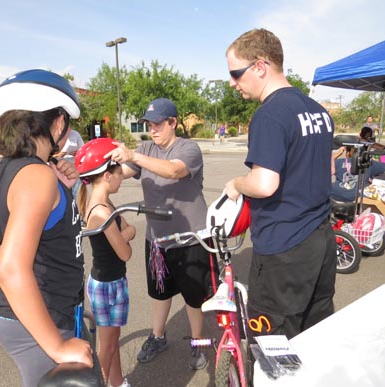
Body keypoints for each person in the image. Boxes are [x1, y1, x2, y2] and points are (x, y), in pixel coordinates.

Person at [224, 28, 337, 339]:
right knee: (316, 333)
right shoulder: (319, 112)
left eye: (236, 73)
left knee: (274, 347)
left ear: (260, 67)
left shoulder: (270, 114)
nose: (233, 83)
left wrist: (235, 183)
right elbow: (328, 171)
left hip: (284, 247)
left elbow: (264, 184)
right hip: (321, 240)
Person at [0, 69, 93, 387]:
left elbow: (59, 227)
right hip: (42, 316)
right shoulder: (37, 176)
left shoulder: (18, 167)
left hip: (51, 308)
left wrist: (72, 188)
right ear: (58, 122)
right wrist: (57, 346)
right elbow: (10, 269)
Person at [105, 98, 219, 370]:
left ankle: (198, 342)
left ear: (173, 123)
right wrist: (94, 170)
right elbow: (122, 171)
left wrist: (134, 156)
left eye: (158, 123)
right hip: (157, 239)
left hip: (191, 238)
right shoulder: (146, 148)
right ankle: (158, 337)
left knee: (193, 298)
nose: (153, 129)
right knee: (159, 293)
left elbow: (174, 170)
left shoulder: (188, 148)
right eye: (149, 124)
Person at [75, 138, 136, 387]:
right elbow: (125, 253)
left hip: (112, 280)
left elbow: (126, 231)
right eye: (119, 173)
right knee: (107, 347)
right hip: (107, 285)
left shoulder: (105, 203)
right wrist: (127, 232)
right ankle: (98, 384)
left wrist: (126, 232)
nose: (122, 178)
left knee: (113, 339)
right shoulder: (101, 212)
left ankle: (118, 382)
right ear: (107, 176)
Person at [54, 129, 85, 198]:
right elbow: (47, 155)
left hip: (73, 169)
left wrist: (77, 153)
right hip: (58, 170)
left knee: (76, 195)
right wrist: (57, 155)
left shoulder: (75, 134)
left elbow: (83, 151)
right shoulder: (54, 133)